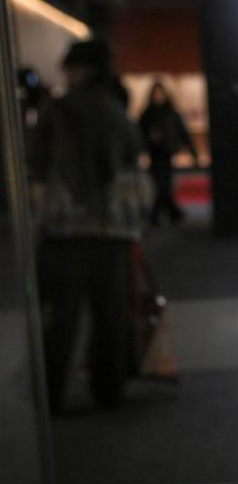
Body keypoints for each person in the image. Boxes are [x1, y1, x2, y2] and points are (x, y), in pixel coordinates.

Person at [31, 40, 142, 412]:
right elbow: (131, 158)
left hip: (66, 232)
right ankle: (109, 389)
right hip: (112, 231)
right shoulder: (115, 108)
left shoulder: (57, 110)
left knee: (61, 318)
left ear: (82, 69)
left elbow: (37, 165)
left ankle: (51, 395)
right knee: (110, 316)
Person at [139, 82, 197, 226]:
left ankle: (163, 213)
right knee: (160, 183)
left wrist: (192, 151)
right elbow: (140, 133)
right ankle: (169, 212)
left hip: (167, 151)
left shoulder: (171, 113)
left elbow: (182, 132)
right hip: (155, 152)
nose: (158, 97)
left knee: (164, 182)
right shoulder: (147, 114)